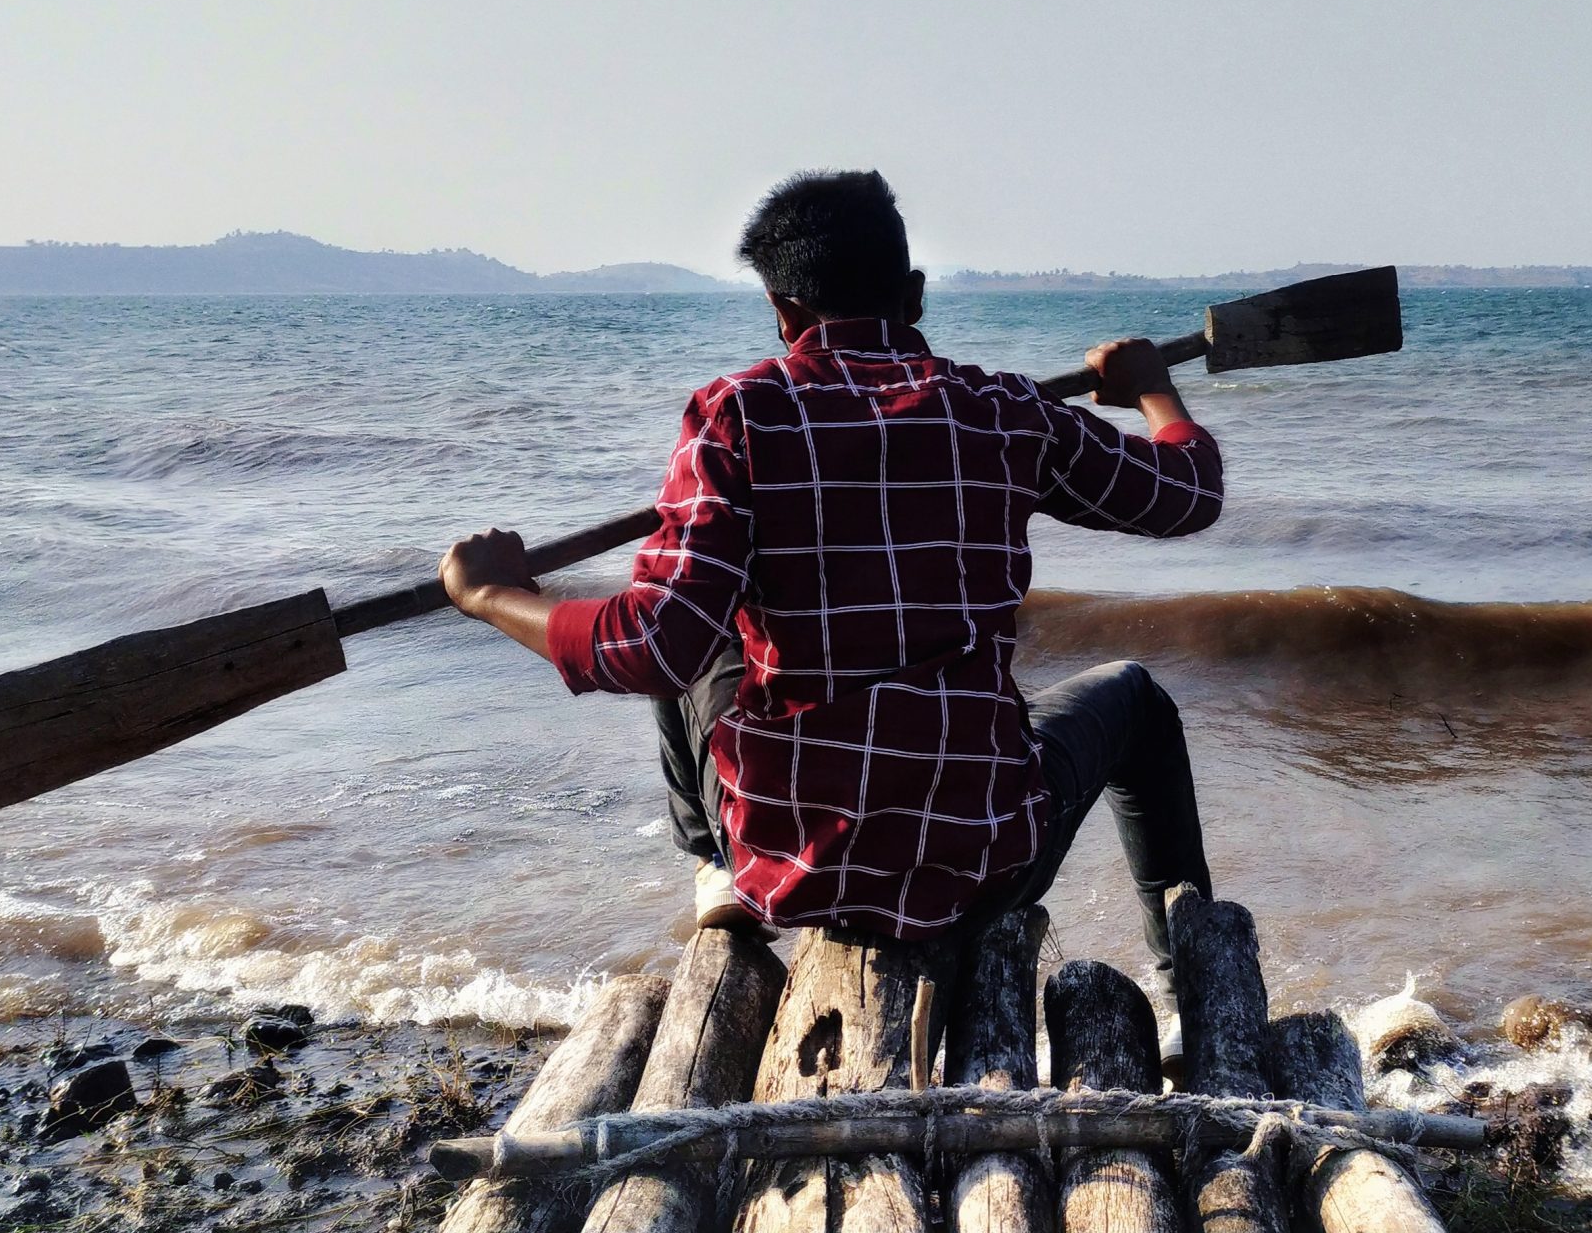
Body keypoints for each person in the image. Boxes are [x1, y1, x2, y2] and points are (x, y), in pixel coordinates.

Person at [438, 169, 1222, 1035]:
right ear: (914, 296)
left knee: (682, 599)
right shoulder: (1007, 412)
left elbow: (654, 644)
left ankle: (715, 867)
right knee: (1138, 705)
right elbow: (1188, 493)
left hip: (792, 864)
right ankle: (1189, 999)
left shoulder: (740, 416)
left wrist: (490, 596)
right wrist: (1151, 387)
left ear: (782, 310)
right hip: (985, 856)